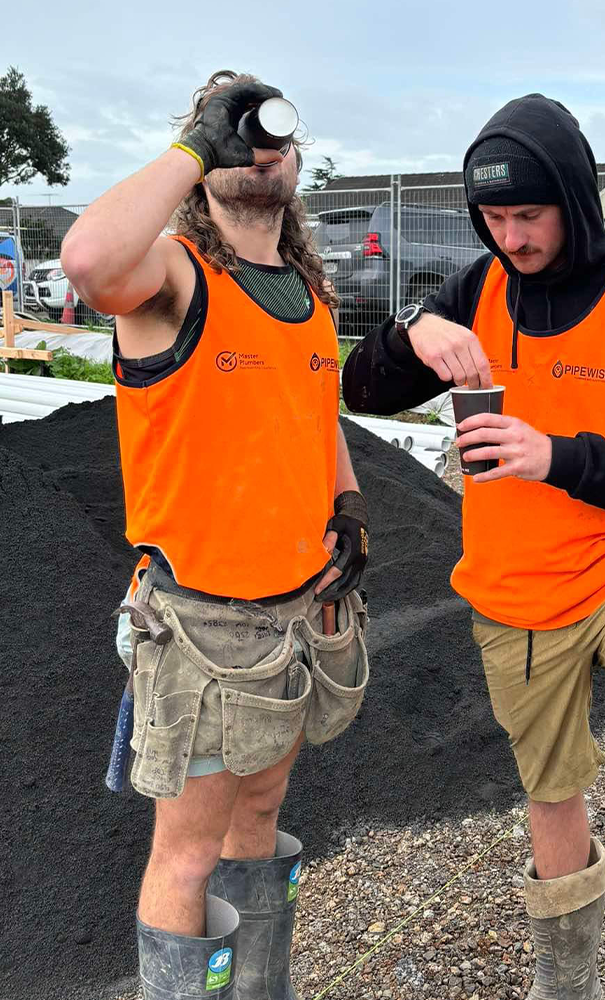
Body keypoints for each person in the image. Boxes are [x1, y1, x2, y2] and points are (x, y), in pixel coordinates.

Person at [341, 93, 605, 997]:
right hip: (512, 592)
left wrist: (555, 457)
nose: (511, 236)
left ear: (575, 199)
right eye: (495, 217)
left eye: (529, 214)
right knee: (551, 792)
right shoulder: (476, 289)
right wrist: (411, 330)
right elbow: (361, 391)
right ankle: (569, 981)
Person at [62, 71, 370, 1000]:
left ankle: (259, 987)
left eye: (270, 135)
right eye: (234, 137)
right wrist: (200, 140)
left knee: (263, 811)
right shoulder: (173, 277)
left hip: (293, 615)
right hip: (198, 626)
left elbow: (319, 422)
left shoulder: (305, 297)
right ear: (203, 164)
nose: (254, 148)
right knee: (187, 854)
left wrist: (348, 505)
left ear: (296, 162)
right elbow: (85, 259)